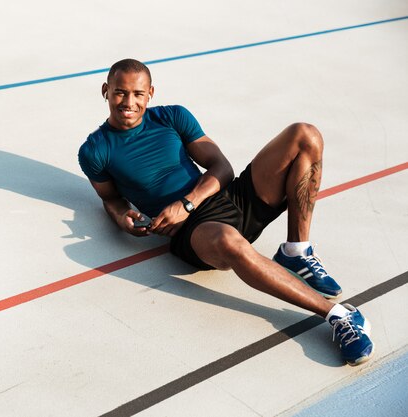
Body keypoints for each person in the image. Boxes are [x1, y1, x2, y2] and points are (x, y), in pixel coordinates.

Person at [78, 58, 374, 366]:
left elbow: (222, 168)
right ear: (105, 91)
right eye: (120, 92)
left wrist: (186, 203)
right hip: (194, 231)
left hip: (224, 198)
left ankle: (296, 251)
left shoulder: (172, 117)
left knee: (305, 134)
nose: (129, 102)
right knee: (230, 244)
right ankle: (339, 316)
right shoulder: (95, 150)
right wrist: (123, 219)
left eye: (138, 94)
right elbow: (112, 200)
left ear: (150, 93)